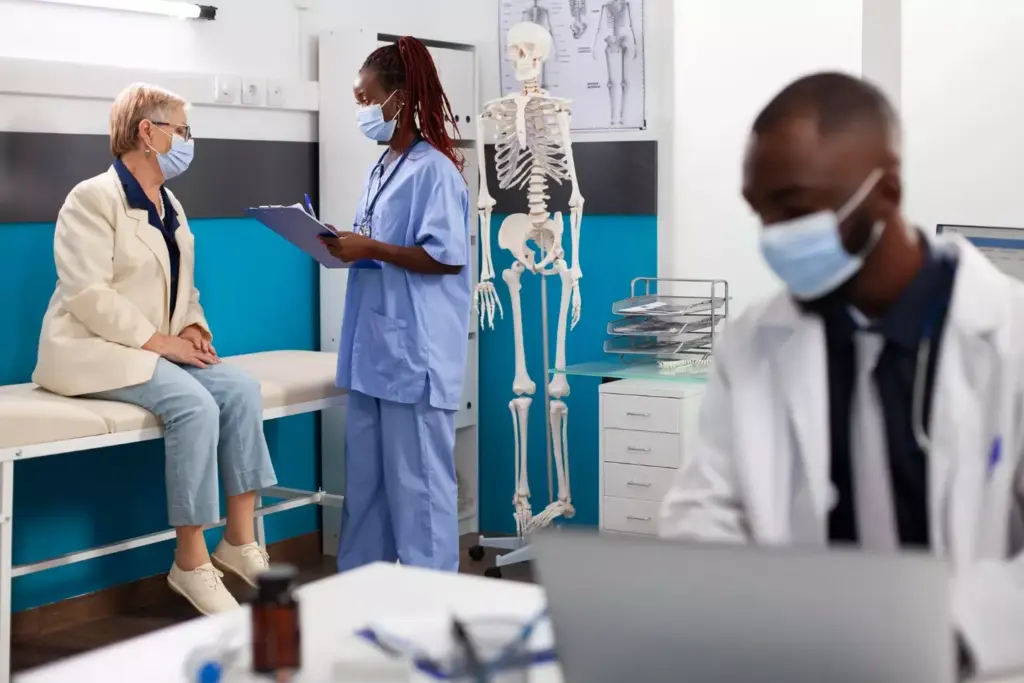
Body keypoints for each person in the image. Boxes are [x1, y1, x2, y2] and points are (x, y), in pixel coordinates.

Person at [658, 72, 1024, 674]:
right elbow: (705, 508)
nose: (773, 235)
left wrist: (940, 635)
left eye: (794, 208)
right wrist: (727, 606)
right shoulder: (753, 342)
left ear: (888, 191)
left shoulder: (1007, 336)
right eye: (760, 211)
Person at [33, 83, 277, 615]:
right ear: (148, 132)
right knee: (194, 404)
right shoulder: (92, 198)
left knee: (239, 390)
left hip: (153, 348)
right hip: (91, 349)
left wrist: (193, 329)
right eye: (182, 130)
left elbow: (184, 287)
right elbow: (86, 292)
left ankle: (238, 540)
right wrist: (161, 342)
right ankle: (190, 562)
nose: (189, 140)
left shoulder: (169, 204)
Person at [319, 37, 471, 573]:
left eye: (367, 99)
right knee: (366, 489)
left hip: (414, 356)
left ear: (400, 100)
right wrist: (343, 245)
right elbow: (375, 242)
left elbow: (446, 258)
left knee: (420, 491)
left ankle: (433, 604)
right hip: (374, 353)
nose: (362, 111)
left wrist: (372, 248)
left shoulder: (435, 171)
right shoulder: (383, 166)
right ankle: (362, 592)